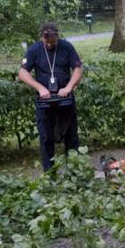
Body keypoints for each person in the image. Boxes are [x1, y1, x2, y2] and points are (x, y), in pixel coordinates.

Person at [18, 22, 83, 171]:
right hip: (45, 102)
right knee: (46, 138)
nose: (49, 45)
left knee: (71, 137)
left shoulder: (66, 47)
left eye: (52, 42)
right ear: (42, 38)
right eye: (46, 42)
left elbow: (78, 69)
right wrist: (40, 88)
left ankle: (74, 173)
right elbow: (22, 72)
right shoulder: (34, 49)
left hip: (65, 100)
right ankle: (49, 174)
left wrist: (69, 87)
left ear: (57, 37)